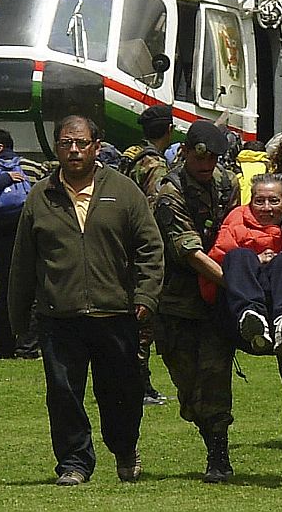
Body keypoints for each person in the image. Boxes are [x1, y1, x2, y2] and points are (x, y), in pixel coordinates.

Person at [9, 115, 164, 484]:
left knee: (121, 395)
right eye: (66, 143)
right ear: (57, 147)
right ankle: (74, 464)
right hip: (59, 316)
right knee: (63, 395)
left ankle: (125, 449)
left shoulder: (124, 191)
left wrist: (145, 295)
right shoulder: (40, 195)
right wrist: (18, 321)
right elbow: (22, 263)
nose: (74, 150)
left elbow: (151, 248)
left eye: (81, 143)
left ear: (97, 145)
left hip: (116, 313)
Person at [152, 120, 240, 482]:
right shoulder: (168, 192)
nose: (207, 165)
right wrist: (236, 284)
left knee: (216, 376)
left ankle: (218, 453)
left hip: (214, 299)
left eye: (214, 158)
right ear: (185, 152)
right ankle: (207, 430)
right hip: (178, 300)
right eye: (200, 157)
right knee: (189, 387)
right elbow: (187, 250)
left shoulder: (227, 183)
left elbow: (235, 230)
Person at [202, 172, 282, 355]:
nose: (266, 208)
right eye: (259, 201)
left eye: (274, 201)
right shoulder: (236, 221)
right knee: (239, 256)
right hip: (239, 300)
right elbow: (216, 261)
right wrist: (255, 261)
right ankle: (251, 318)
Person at [119, 104, 174, 406]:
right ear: (168, 130)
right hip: (144, 250)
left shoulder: (131, 156)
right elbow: (156, 210)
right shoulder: (154, 165)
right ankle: (138, 385)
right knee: (144, 321)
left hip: (126, 246)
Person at [0, 129, 44, 359]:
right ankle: (28, 346)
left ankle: (2, 347)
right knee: (33, 290)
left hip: (3, 238)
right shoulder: (35, 168)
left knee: (4, 293)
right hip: (33, 237)